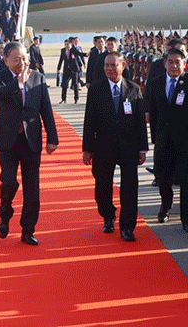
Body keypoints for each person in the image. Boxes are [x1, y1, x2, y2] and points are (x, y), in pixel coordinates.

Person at [0, 42, 58, 245]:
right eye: (16, 59)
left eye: (24, 58)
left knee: (32, 190)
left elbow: (46, 109)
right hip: (7, 141)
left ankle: (28, 230)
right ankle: (5, 213)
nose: (22, 63)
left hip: (31, 141)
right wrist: (18, 83)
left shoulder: (37, 78)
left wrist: (52, 138)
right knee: (9, 181)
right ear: (6, 60)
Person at [82, 52, 147, 241]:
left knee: (130, 188)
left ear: (123, 66)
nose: (109, 69)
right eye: (106, 65)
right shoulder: (96, 90)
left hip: (129, 147)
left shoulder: (134, 89)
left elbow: (140, 122)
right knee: (102, 187)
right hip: (103, 146)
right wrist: (87, 149)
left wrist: (142, 148)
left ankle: (127, 227)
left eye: (113, 65)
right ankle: (108, 215)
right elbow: (89, 120)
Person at [145, 47, 188, 233]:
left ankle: (187, 220)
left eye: (177, 62)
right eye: (170, 62)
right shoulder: (156, 83)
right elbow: (153, 113)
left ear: (184, 64)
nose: (174, 66)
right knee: (163, 178)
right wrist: (155, 138)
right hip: (163, 141)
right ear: (164, 64)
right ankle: (165, 205)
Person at [57, 39, 81, 104]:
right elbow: (61, 59)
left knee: (75, 84)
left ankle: (76, 99)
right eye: (65, 44)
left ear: (71, 44)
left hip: (74, 69)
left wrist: (87, 54)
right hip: (66, 70)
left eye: (67, 44)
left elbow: (79, 54)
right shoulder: (63, 50)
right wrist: (58, 68)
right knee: (64, 84)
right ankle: (63, 99)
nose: (66, 45)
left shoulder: (73, 50)